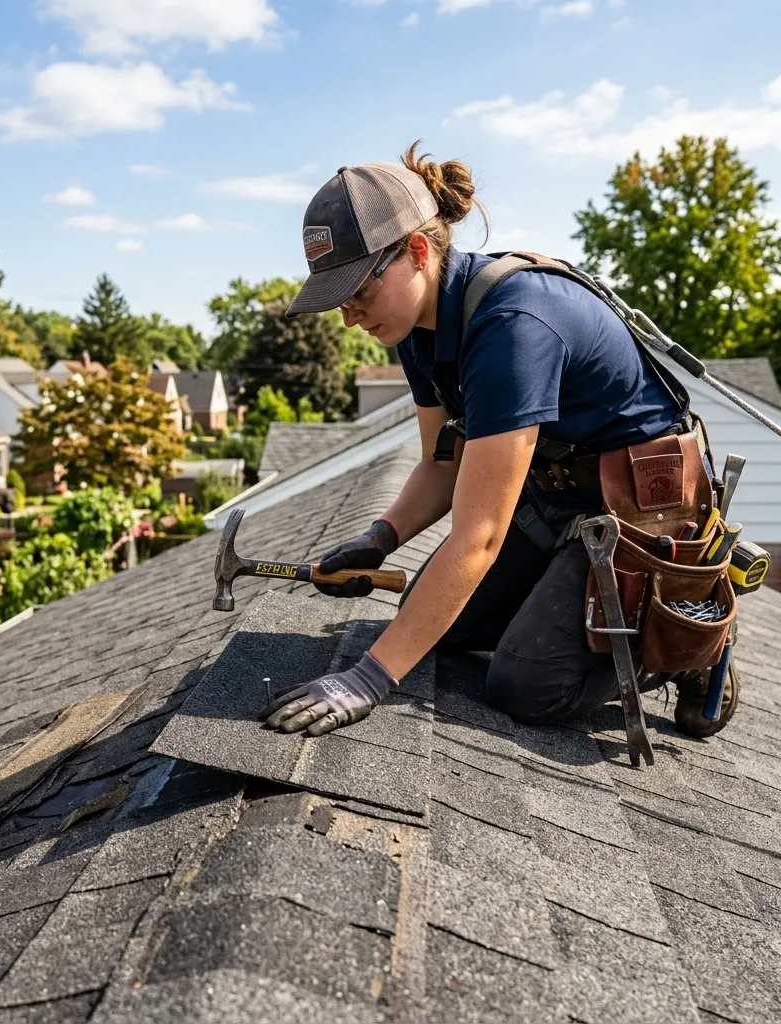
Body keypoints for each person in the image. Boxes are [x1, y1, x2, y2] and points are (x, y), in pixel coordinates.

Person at [260, 143, 739, 740]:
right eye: (339, 299)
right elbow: (443, 467)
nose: (349, 315)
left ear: (414, 252)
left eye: (358, 291)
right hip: (558, 503)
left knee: (526, 684)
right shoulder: (419, 331)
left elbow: (480, 535)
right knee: (434, 621)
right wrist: (378, 538)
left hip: (643, 512)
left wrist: (369, 680)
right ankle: (568, 609)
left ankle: (691, 638)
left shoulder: (514, 327)